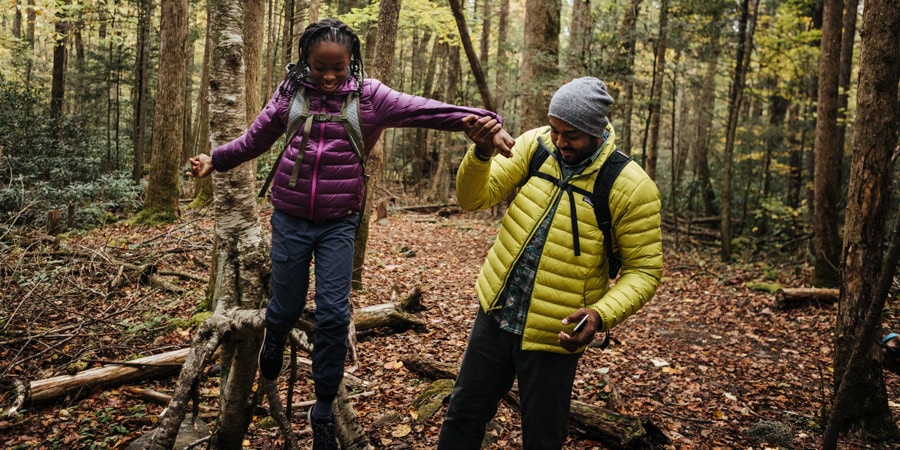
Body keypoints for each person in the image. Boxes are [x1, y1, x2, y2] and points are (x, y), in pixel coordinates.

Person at [188, 18, 513, 450]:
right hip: (288, 216)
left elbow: (426, 110)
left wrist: (484, 121)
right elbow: (256, 138)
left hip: (340, 221)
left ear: (351, 63)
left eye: (337, 68)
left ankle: (322, 407)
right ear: (305, 60)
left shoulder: (371, 97)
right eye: (319, 66)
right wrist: (216, 160)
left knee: (334, 315)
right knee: (284, 307)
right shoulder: (290, 93)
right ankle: (274, 339)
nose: (327, 76)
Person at [440, 77, 664, 449]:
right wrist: (480, 155)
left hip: (555, 331)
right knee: (463, 413)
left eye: (571, 135)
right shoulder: (536, 146)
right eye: (556, 129)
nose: (560, 142)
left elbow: (645, 271)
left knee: (543, 436)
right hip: (496, 313)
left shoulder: (631, 186)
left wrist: (599, 315)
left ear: (595, 131)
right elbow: (472, 199)